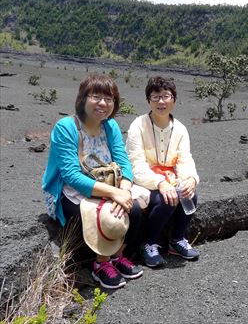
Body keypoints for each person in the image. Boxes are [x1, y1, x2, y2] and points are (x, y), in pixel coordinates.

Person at [42, 74, 144, 289]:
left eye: (109, 99)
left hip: (107, 185)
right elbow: (71, 175)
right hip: (70, 190)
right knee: (97, 214)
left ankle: (117, 255)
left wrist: (123, 190)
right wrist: (113, 194)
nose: (103, 103)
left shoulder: (110, 126)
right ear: (83, 98)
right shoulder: (66, 127)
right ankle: (100, 263)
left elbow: (123, 162)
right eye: (96, 97)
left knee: (133, 209)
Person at [126, 76, 200, 268]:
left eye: (166, 96)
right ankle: (148, 244)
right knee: (167, 199)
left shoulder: (180, 129)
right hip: (143, 181)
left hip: (170, 179)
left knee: (190, 195)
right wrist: (160, 182)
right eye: (155, 96)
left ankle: (177, 240)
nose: (161, 101)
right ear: (148, 100)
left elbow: (185, 159)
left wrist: (190, 179)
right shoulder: (138, 126)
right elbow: (135, 164)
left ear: (173, 100)